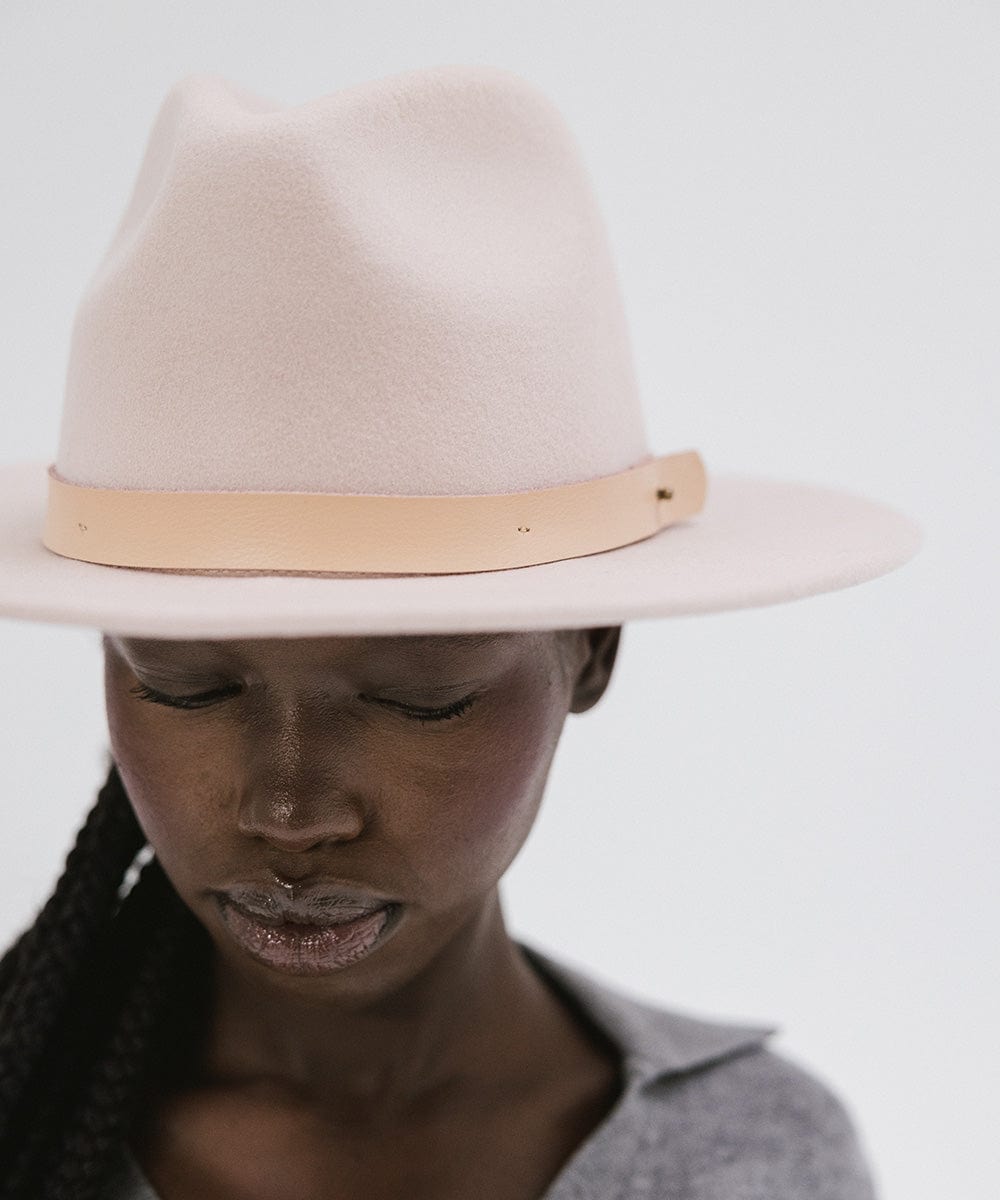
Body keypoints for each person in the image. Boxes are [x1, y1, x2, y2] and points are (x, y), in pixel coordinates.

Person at [0, 65, 920, 1200]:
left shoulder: (753, 1165)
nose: (290, 811)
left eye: (418, 696)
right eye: (187, 685)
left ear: (592, 647)